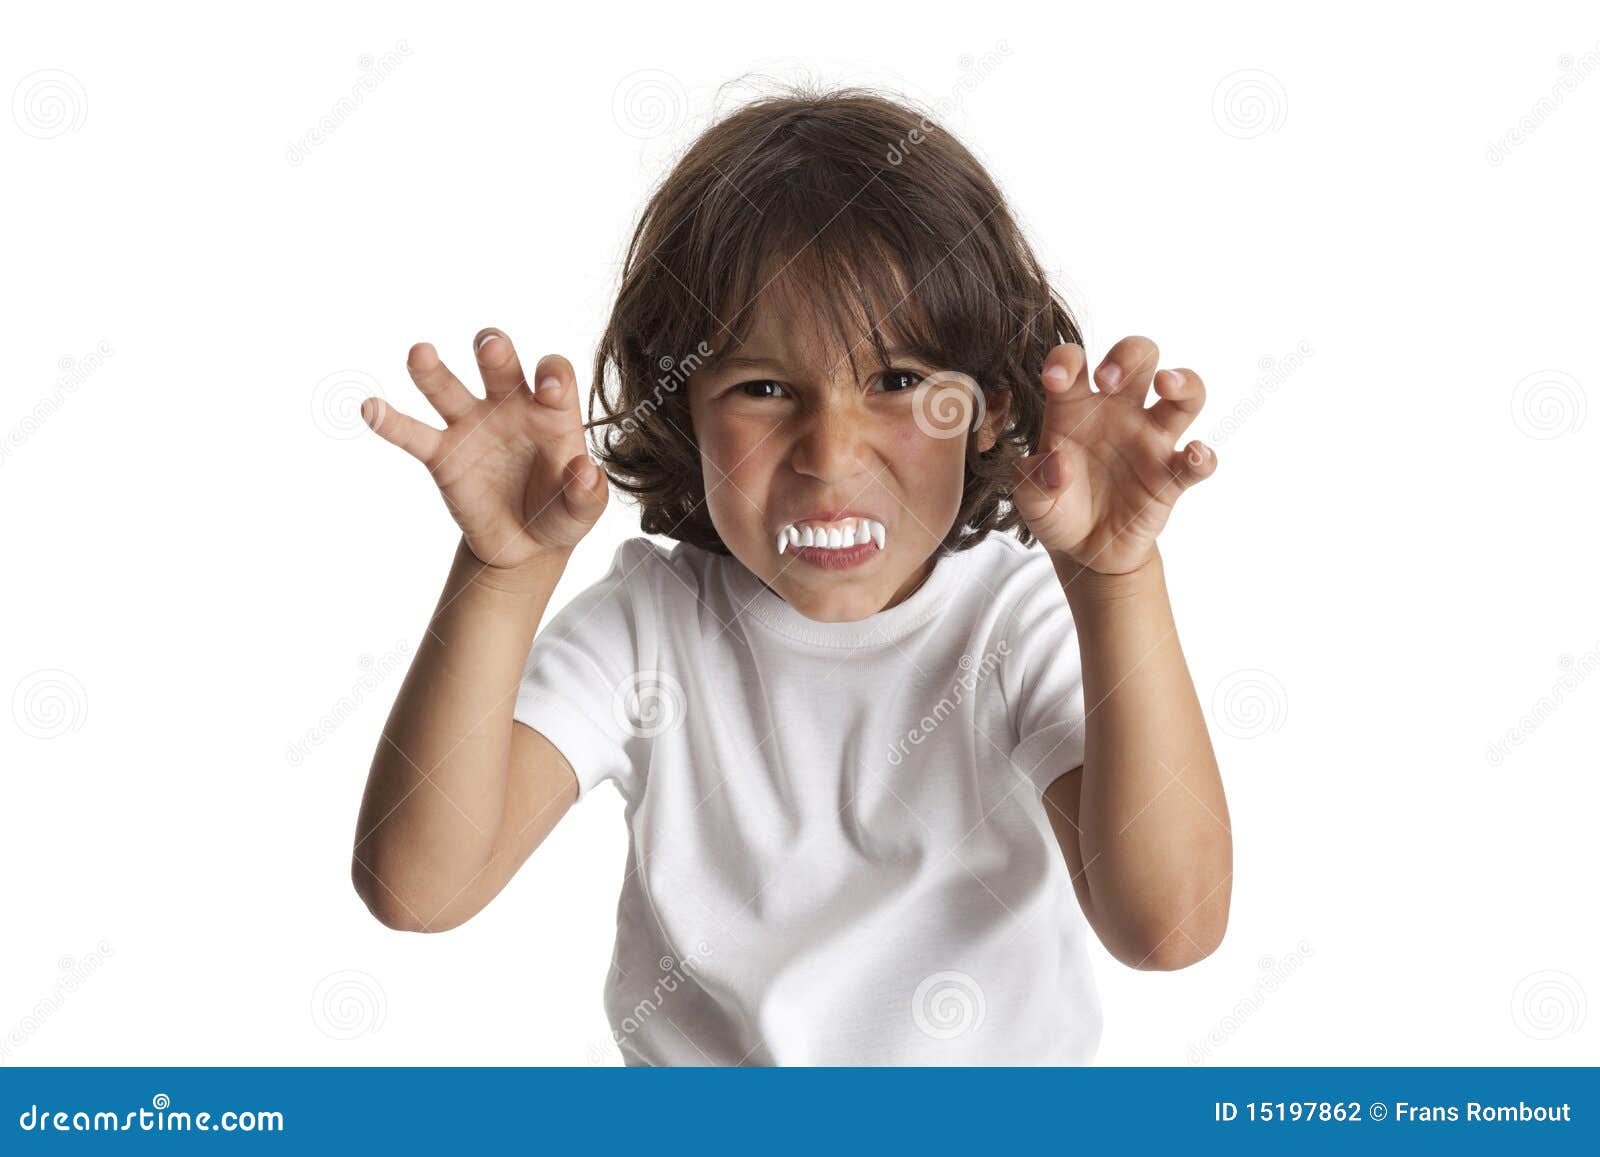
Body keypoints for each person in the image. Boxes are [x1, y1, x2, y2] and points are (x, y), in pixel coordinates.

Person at [351, 86, 1232, 1065]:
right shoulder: (649, 626)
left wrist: (1115, 582)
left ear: (988, 407)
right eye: (763, 388)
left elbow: (1168, 925)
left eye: (897, 381)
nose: (829, 451)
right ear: (681, 410)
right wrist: (503, 572)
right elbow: (418, 887)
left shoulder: (1013, 620)